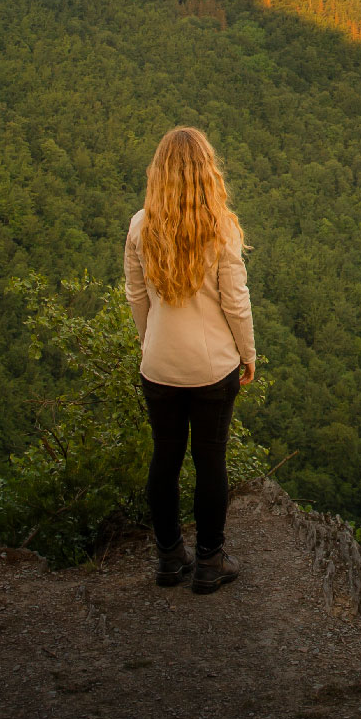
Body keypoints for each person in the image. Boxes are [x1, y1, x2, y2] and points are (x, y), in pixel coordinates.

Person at [124, 126, 256, 593]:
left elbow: (136, 296)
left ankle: (167, 557)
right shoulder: (220, 227)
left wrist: (150, 341)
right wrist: (248, 354)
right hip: (211, 368)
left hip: (158, 365)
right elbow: (235, 302)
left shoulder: (142, 225)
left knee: (165, 458)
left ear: (159, 172)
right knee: (209, 461)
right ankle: (208, 561)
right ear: (207, 172)